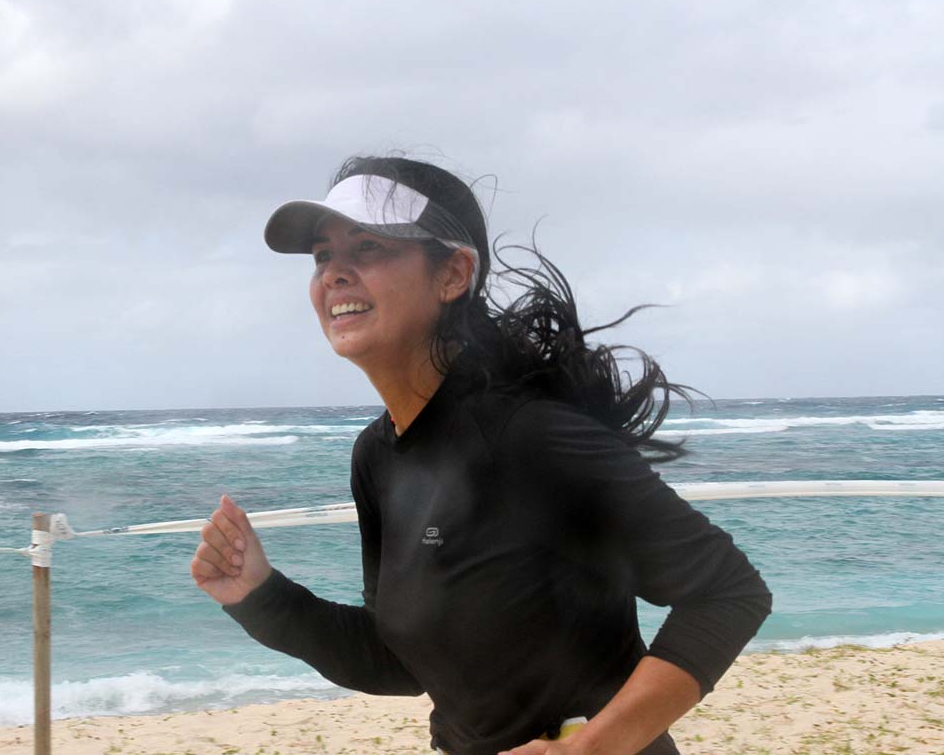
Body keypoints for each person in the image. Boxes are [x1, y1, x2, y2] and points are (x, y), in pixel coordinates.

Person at [190, 155, 773, 755]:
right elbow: (400, 661)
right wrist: (256, 593)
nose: (334, 274)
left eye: (366, 247)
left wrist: (593, 747)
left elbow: (728, 592)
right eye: (322, 256)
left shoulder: (529, 435)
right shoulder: (376, 456)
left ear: (453, 275)